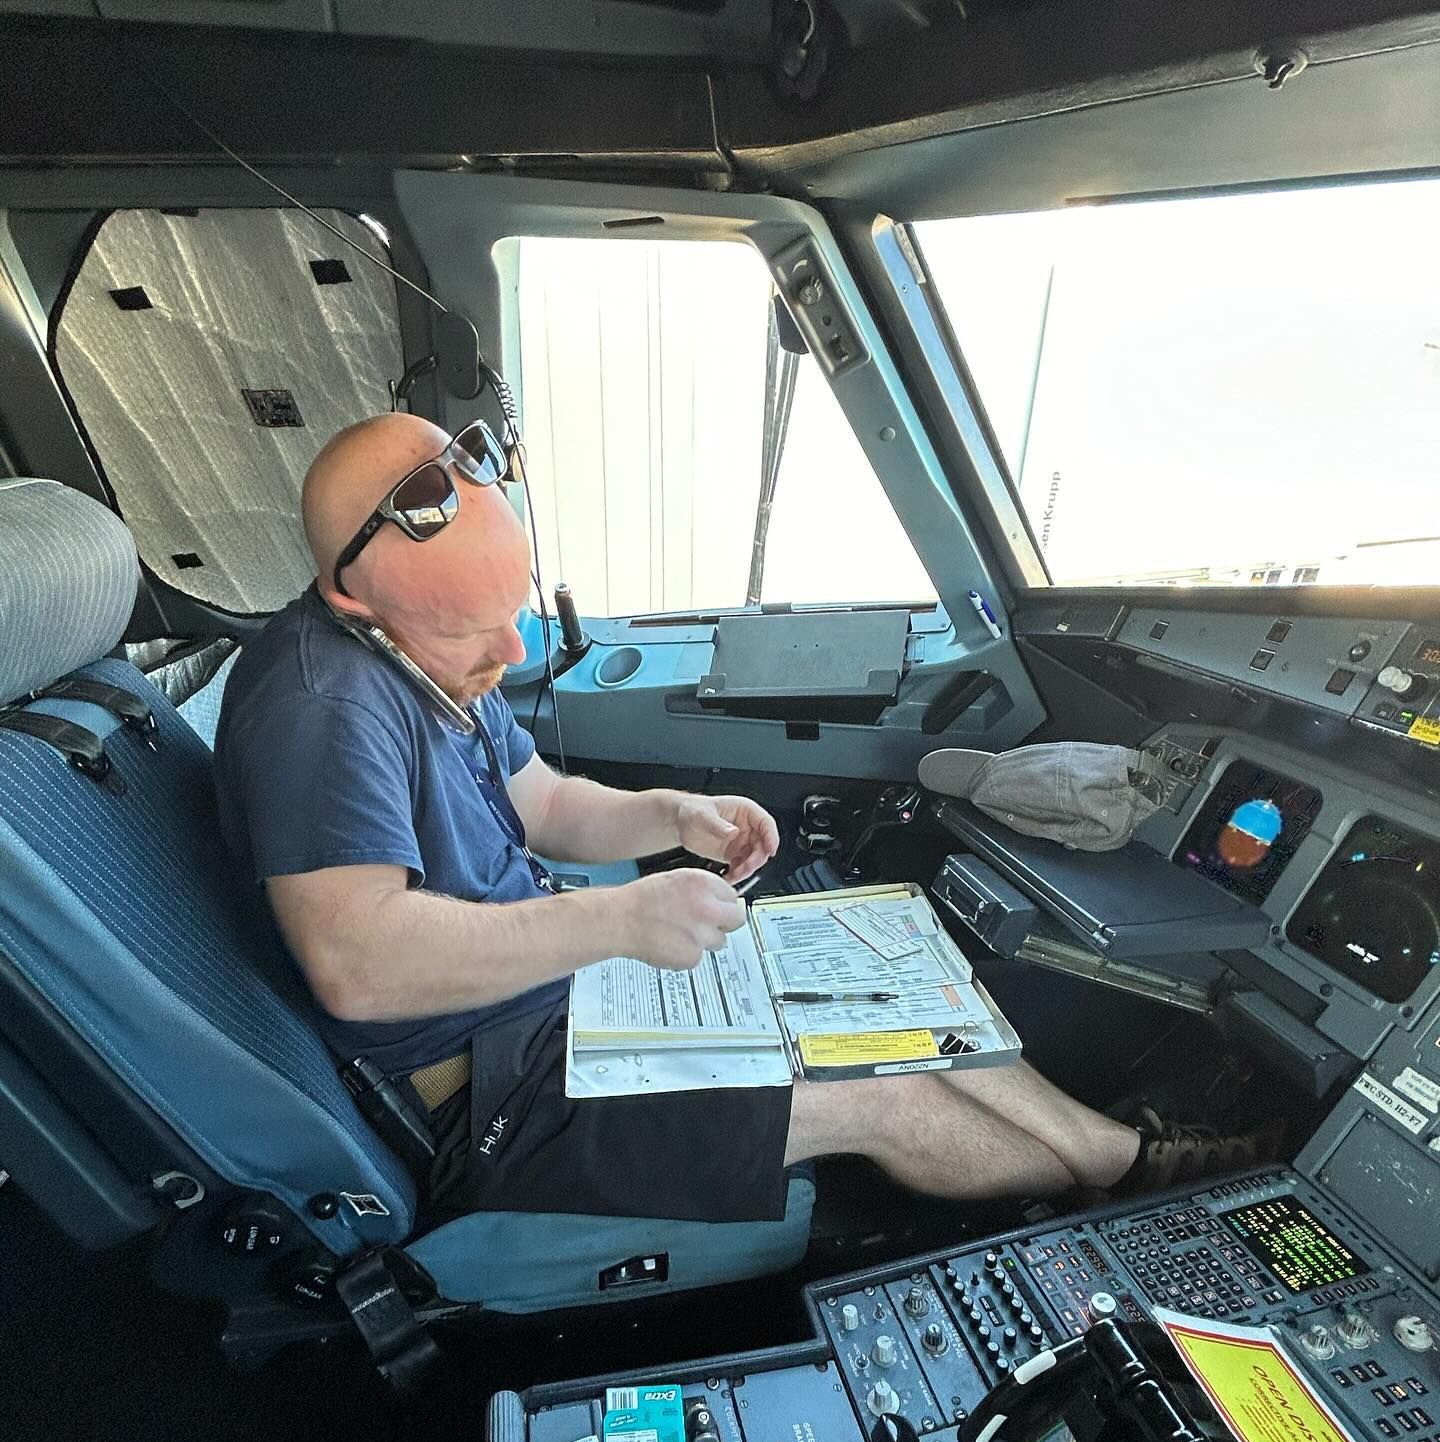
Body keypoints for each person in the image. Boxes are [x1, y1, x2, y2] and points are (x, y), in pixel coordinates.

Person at [215, 412, 1172, 1233]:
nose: (511, 652)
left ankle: (1117, 1159)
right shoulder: (321, 709)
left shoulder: (421, 656)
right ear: (357, 602)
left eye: (513, 616)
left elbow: (541, 802)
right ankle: (1138, 1205)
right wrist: (617, 922)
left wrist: (673, 814)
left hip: (552, 1003)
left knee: (889, 993)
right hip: (489, 1090)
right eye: (477, 631)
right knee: (877, 1089)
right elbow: (358, 967)